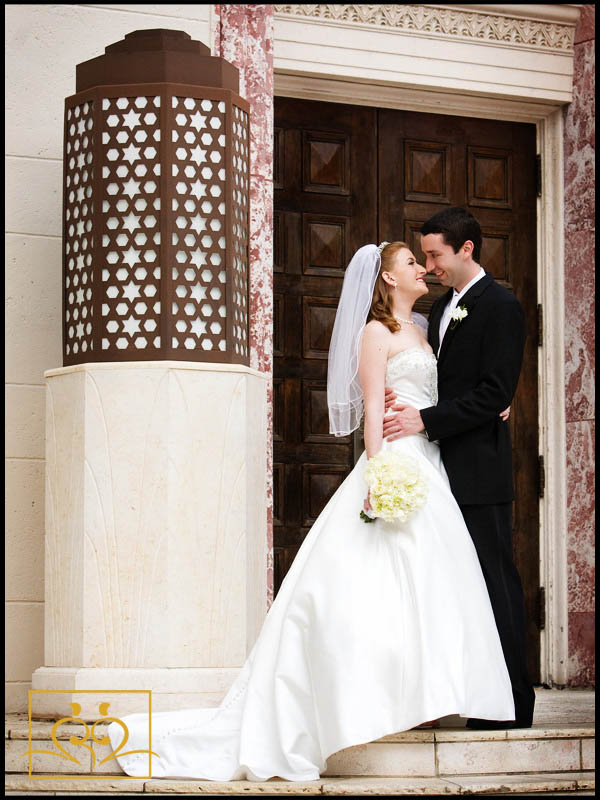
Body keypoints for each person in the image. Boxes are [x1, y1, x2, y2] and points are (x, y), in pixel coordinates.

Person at [107, 241, 515, 782]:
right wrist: (378, 471)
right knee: (374, 583)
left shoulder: (428, 323)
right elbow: (373, 406)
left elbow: (455, 386)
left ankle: (425, 695)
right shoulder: (376, 334)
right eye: (412, 263)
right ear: (388, 279)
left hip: (434, 465)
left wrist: (496, 401)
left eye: (425, 260)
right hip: (397, 461)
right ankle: (360, 699)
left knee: (435, 583)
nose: (423, 269)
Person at [382, 208, 536, 729]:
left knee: (495, 582)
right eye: (423, 256)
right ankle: (470, 694)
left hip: (478, 470)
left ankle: (513, 705)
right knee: (457, 587)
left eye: (435, 255)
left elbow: (496, 391)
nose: (428, 266)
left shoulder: (502, 306)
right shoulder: (441, 308)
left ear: (466, 249)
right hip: (434, 469)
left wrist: (426, 419)